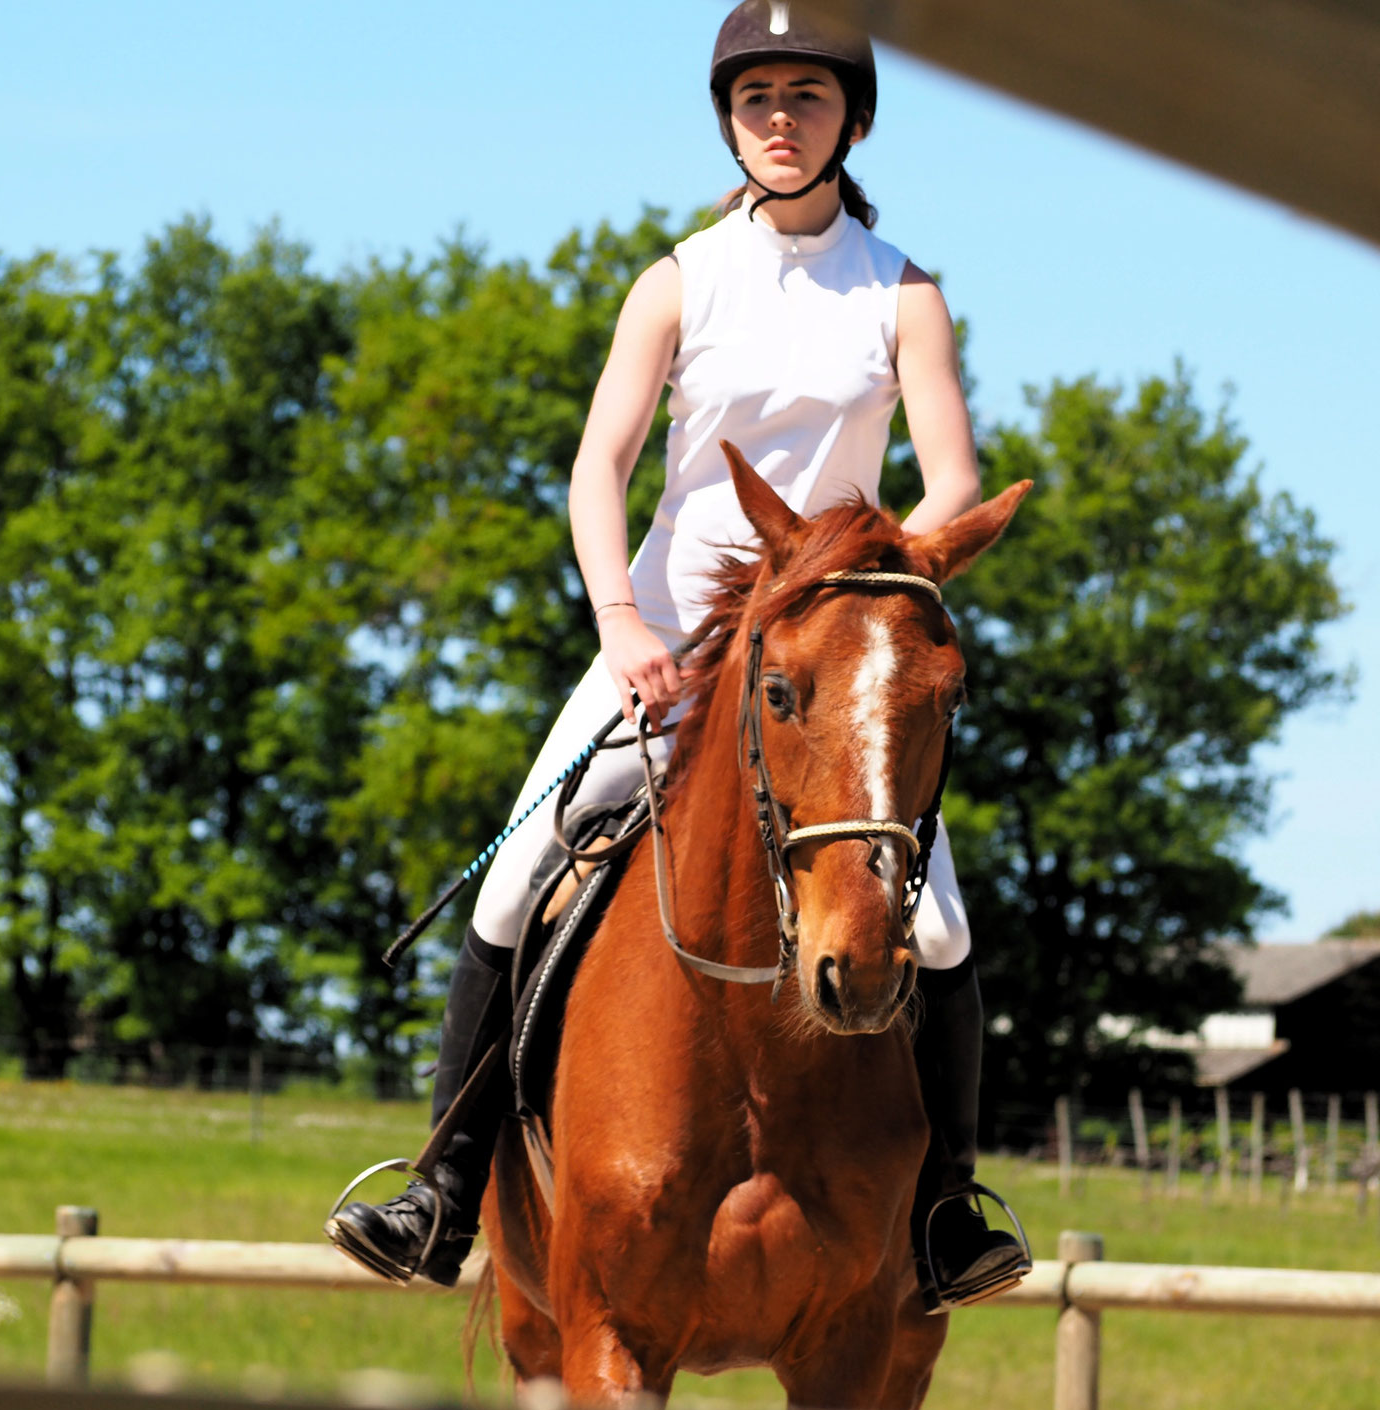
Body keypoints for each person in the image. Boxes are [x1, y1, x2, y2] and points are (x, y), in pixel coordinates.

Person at [327, 0, 1029, 1314]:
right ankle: (441, 1190)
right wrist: (623, 627)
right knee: (510, 883)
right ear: (730, 118)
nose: (779, 116)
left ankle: (945, 1214)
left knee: (933, 919)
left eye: (805, 97)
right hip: (662, 647)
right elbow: (597, 470)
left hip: (823, 660)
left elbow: (950, 483)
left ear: (852, 122)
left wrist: (877, 599)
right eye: (756, 95)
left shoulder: (904, 292)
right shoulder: (677, 281)